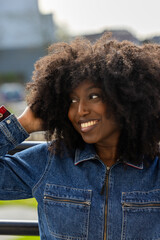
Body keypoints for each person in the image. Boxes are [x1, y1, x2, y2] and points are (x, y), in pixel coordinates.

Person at [0, 33, 160, 240]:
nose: (80, 110)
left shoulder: (155, 167)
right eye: (73, 100)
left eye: (93, 96)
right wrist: (23, 124)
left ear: (127, 100)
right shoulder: (50, 162)